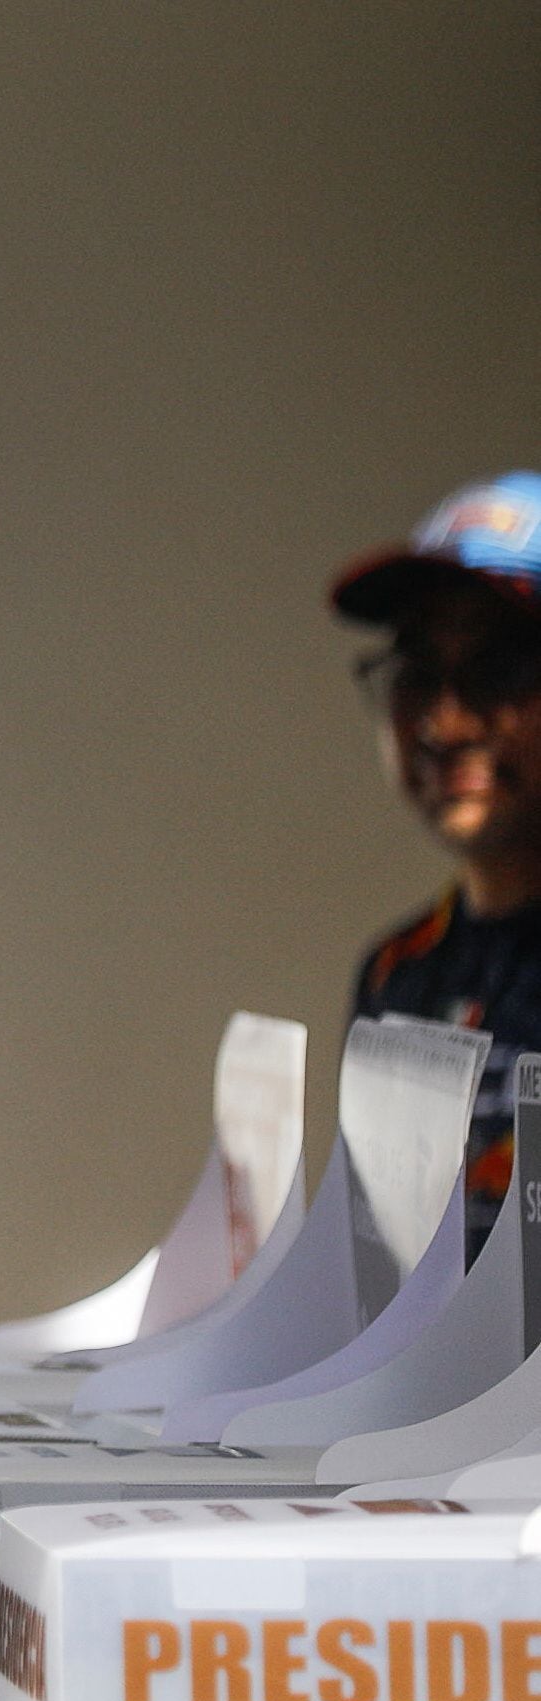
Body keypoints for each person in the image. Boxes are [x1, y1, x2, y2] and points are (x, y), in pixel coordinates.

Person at [340, 471, 541, 1251]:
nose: (444, 721)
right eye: (417, 674)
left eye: (499, 671)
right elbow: (382, 1268)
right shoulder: (399, 976)